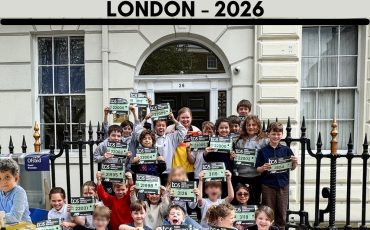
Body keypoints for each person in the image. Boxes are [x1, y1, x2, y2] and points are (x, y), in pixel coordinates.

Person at [255, 122, 298, 230]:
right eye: (273, 134)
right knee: (268, 213)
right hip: (268, 185)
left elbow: (292, 167)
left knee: (282, 213)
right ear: (268, 134)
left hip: (283, 185)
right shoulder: (262, 151)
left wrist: (295, 162)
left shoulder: (286, 150)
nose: (276, 136)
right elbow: (257, 169)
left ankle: (281, 228)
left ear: (282, 135)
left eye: (278, 134)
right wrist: (263, 168)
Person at [135, 112, 186, 185]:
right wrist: (145, 119)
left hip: (167, 173)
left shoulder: (171, 138)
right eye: (158, 125)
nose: (161, 127)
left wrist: (173, 120)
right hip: (152, 173)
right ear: (155, 127)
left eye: (163, 125)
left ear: (166, 127)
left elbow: (183, 131)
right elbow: (137, 131)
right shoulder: (149, 138)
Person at [232, 115, 268, 205]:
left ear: (258, 126)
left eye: (254, 125)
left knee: (254, 201)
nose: (251, 127)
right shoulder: (239, 141)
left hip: (256, 177)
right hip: (241, 176)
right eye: (248, 125)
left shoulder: (264, 141)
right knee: (240, 201)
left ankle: (253, 219)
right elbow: (234, 159)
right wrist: (234, 156)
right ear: (245, 126)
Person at [166, 107, 201, 181]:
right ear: (178, 118)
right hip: (175, 169)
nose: (185, 120)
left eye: (187, 117)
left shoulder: (196, 130)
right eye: (183, 117)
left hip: (190, 169)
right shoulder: (169, 129)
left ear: (191, 118)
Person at [0, 158, 31, 224]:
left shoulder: (19, 192)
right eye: (0, 178)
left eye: (7, 177)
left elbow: (15, 217)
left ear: (16, 178)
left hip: (24, 227)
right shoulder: (0, 192)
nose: (3, 182)